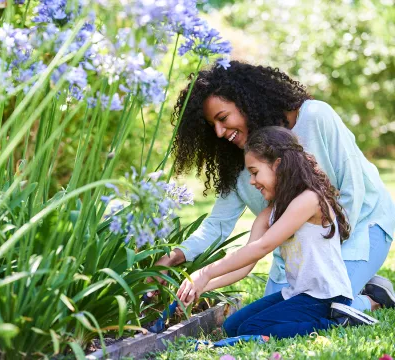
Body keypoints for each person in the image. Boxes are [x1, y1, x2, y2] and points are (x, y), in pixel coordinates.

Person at [154, 60, 395, 320]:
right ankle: (359, 288)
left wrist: (327, 263)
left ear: (246, 101)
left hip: (361, 226)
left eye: (223, 118)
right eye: (213, 126)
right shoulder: (239, 164)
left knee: (323, 309)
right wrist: (173, 256)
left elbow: (353, 190)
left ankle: (374, 299)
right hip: (298, 250)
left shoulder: (314, 117)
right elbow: (216, 226)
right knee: (276, 312)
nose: (220, 132)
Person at [176, 127, 374, 339]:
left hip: (326, 297)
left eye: (254, 172)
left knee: (250, 329)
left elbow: (263, 246)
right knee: (232, 327)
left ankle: (339, 322)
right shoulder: (270, 213)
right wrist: (201, 287)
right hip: (298, 293)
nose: (252, 181)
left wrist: (206, 273)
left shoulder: (309, 200)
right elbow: (246, 262)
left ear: (277, 165)